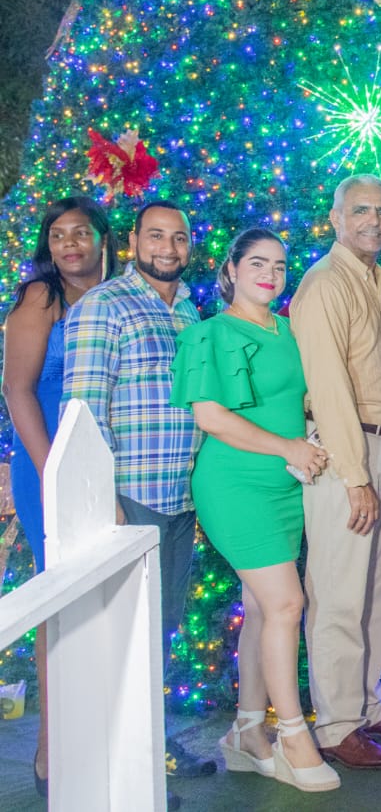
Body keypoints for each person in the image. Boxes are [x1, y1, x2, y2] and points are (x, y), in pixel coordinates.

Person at [170, 229, 339, 792]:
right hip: (234, 485)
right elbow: (211, 417)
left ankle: (246, 730)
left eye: (280, 265)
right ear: (233, 269)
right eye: (258, 263)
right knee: (288, 602)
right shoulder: (207, 334)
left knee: (265, 609)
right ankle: (291, 734)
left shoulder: (292, 331)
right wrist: (289, 447)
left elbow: (308, 397)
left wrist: (315, 438)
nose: (270, 273)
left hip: (289, 488)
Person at [62, 199, 217, 784]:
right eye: (156, 236)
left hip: (180, 500)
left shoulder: (190, 317)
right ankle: (110, 768)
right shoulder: (103, 307)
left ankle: (149, 751)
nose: (168, 248)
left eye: (179, 238)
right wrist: (106, 501)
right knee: (121, 636)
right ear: (132, 241)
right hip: (129, 498)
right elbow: (81, 411)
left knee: (160, 632)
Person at [290, 174, 381, 770]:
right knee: (339, 595)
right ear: (335, 218)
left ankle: (366, 705)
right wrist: (355, 474)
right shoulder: (323, 284)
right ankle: (337, 724)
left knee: (376, 590)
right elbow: (329, 387)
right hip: (350, 454)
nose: (374, 220)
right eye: (361, 210)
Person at [2, 196, 115, 797]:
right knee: (62, 605)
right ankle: (53, 751)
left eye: (80, 233)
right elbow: (17, 390)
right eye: (57, 235)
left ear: (103, 239)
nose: (68, 244)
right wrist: (55, 473)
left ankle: (110, 740)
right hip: (51, 468)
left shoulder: (122, 295)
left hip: (117, 470)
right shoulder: (40, 300)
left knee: (112, 608)